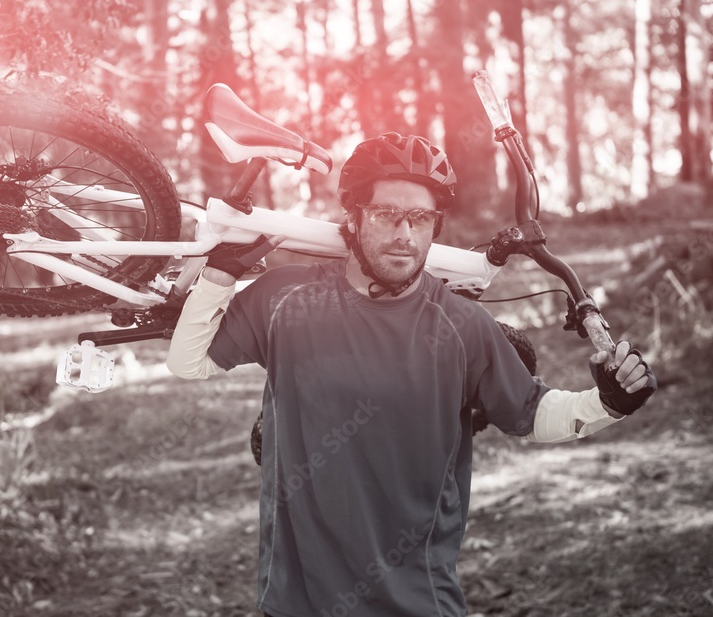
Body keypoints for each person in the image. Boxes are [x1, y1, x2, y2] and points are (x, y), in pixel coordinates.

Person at [166, 132, 657, 617]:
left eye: (420, 218)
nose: (405, 234)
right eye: (386, 215)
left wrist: (609, 402)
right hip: (294, 600)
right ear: (353, 218)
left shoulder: (462, 327)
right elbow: (190, 362)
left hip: (415, 603)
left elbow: (532, 414)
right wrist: (220, 274)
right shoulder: (286, 297)